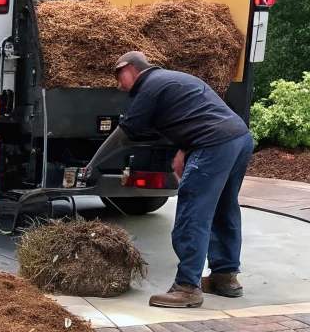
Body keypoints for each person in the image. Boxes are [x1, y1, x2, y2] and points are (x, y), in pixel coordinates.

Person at [82, 52, 254, 309]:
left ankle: (187, 287)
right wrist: (183, 149)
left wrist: (93, 164)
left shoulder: (148, 88)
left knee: (192, 210)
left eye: (117, 75)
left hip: (213, 145)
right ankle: (225, 277)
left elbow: (124, 133)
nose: (117, 84)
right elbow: (197, 114)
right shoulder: (174, 79)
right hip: (238, 138)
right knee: (223, 207)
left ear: (130, 68)